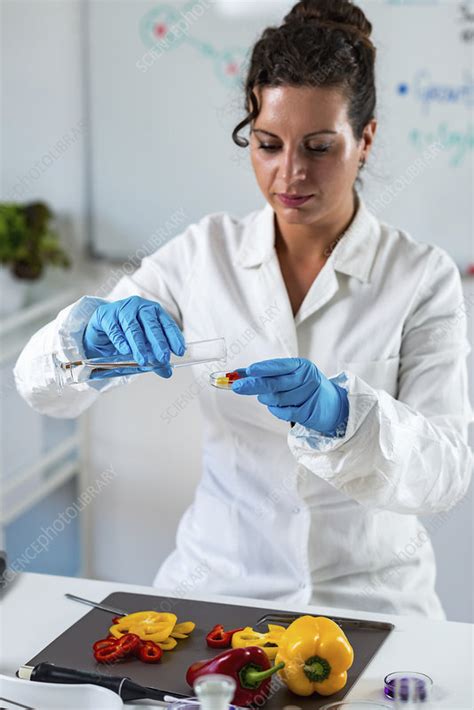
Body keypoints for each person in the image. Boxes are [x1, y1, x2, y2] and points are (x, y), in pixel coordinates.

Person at [14, 0, 472, 618]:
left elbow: (446, 471)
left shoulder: (421, 276)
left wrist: (345, 418)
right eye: (267, 144)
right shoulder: (204, 252)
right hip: (219, 591)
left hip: (372, 604)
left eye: (318, 146)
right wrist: (86, 338)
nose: (291, 174)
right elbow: (41, 390)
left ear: (365, 139)